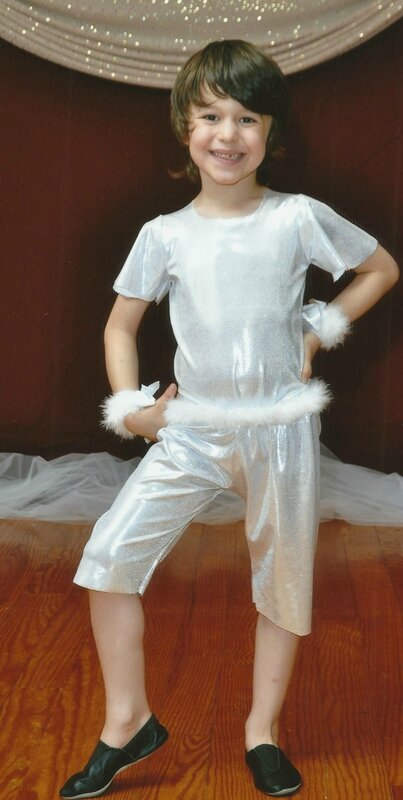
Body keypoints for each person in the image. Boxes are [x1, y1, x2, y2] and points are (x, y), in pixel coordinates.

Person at [60, 40, 399, 799]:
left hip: (279, 431)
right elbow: (120, 326)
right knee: (107, 557)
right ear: (185, 126)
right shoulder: (165, 233)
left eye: (247, 117)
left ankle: (261, 731)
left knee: (283, 580)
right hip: (192, 430)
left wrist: (316, 332)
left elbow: (379, 268)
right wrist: (133, 410)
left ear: (271, 132)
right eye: (211, 115)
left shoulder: (296, 217)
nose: (228, 133)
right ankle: (127, 721)